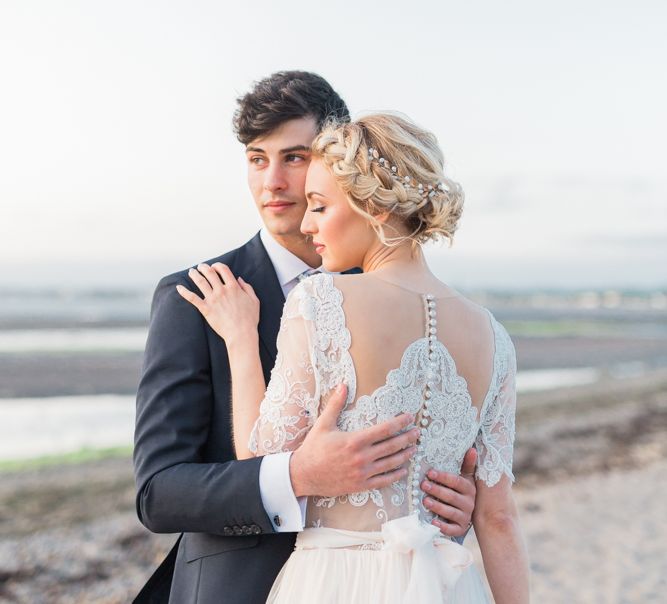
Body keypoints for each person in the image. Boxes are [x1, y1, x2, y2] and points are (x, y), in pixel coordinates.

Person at [133, 72, 478, 604]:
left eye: (293, 158)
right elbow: (159, 493)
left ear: (337, 162)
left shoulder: (407, 301)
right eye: (256, 158)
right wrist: (294, 475)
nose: (272, 181)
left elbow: (441, 446)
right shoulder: (195, 296)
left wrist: (458, 498)